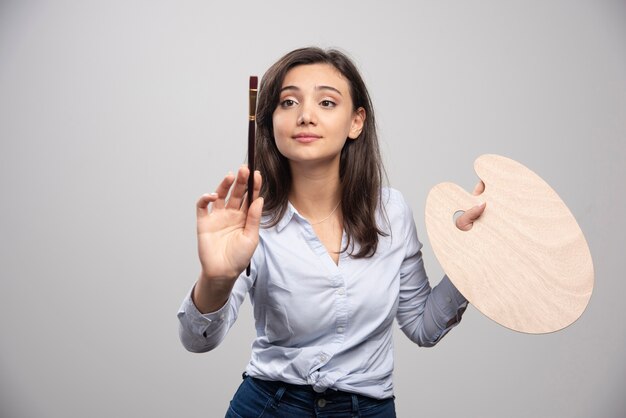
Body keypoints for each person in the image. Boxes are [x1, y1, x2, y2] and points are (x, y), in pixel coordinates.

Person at [177, 47, 485, 417]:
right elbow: (197, 340)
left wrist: (473, 254)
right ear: (270, 121)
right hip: (268, 407)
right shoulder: (250, 218)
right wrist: (216, 277)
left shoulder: (391, 212)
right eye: (288, 102)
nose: (305, 116)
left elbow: (424, 327)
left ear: (356, 122)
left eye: (326, 102)